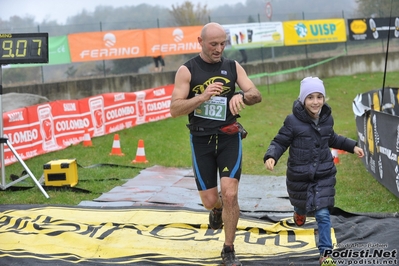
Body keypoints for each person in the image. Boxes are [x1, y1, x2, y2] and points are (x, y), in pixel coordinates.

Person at [170, 22, 262, 266]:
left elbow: (256, 94)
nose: (219, 49)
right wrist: (201, 96)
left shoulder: (232, 66)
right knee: (211, 200)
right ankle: (217, 210)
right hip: (201, 140)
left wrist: (241, 95)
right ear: (200, 42)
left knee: (230, 193)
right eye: (213, 44)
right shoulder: (187, 70)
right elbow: (174, 109)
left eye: (223, 44)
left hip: (229, 136)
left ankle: (228, 248)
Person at [263, 76, 364, 266]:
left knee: (323, 214)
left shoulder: (327, 119)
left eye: (319, 97)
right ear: (303, 100)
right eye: (310, 97)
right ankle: (299, 212)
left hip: (323, 174)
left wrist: (352, 146)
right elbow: (280, 141)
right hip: (299, 176)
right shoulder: (292, 121)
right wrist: (271, 156)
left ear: (324, 99)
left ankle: (325, 253)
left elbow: (332, 138)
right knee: (302, 206)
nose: (316, 102)